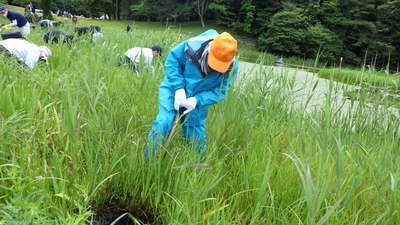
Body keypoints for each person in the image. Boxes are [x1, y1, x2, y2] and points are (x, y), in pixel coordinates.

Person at [145, 29, 238, 159]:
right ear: (209, 50)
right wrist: (178, 88)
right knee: (163, 122)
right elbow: (172, 61)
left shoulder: (231, 67)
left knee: (195, 136)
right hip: (173, 89)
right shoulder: (191, 46)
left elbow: (221, 91)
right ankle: (148, 162)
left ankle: (198, 169)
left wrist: (197, 100)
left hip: (197, 102)